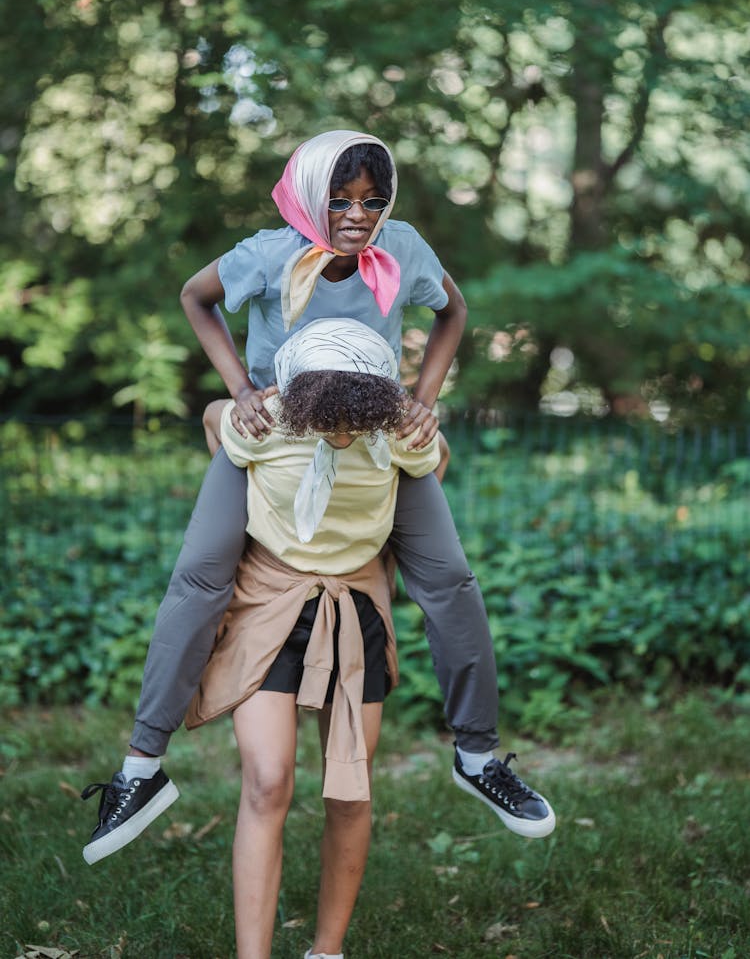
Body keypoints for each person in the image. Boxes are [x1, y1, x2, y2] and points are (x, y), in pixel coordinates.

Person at [81, 129, 555, 866]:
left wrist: (423, 400)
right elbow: (195, 297)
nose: (358, 214)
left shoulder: (403, 249)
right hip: (272, 438)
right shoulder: (269, 253)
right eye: (340, 199)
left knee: (452, 580)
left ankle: (478, 754)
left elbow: (453, 312)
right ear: (309, 196)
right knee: (200, 577)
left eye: (371, 199)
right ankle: (141, 768)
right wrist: (239, 388)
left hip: (375, 440)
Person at [186, 319, 442, 959]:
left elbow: (436, 463)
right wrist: (226, 402)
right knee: (269, 780)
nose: (342, 424)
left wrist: (429, 427)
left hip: (354, 606)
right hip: (270, 601)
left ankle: (327, 952)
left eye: (356, 402)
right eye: (326, 402)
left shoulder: (393, 431)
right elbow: (217, 424)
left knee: (350, 791)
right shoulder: (270, 421)